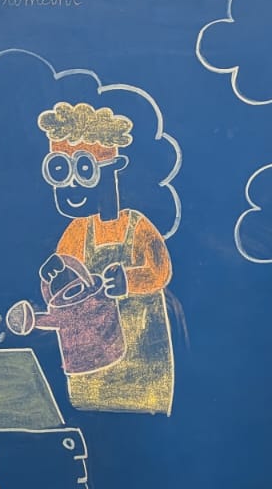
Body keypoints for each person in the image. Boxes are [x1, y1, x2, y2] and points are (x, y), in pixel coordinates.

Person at [34, 102, 175, 415]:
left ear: (112, 170)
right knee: (91, 416)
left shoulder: (137, 226)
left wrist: (128, 281)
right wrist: (53, 275)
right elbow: (63, 286)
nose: (71, 184)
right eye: (60, 170)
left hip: (143, 353)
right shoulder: (77, 230)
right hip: (91, 359)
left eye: (84, 170)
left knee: (143, 416)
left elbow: (160, 270)